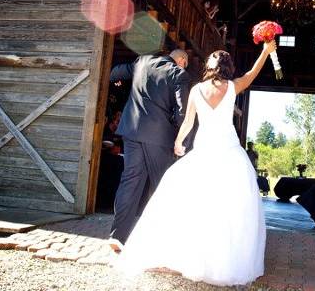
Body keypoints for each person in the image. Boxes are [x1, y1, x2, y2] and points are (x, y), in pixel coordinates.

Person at [115, 41, 277, 287]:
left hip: (203, 150)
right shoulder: (233, 88)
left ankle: (185, 251)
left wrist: (178, 143)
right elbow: (252, 74)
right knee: (230, 205)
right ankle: (223, 259)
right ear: (228, 67)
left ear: (209, 67)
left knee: (193, 200)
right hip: (230, 152)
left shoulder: (197, 90)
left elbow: (187, 122)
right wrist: (265, 52)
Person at [108, 49, 190, 248]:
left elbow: (115, 73)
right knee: (163, 186)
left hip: (131, 131)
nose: (184, 67)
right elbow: (182, 112)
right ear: (181, 60)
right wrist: (182, 139)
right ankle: (162, 241)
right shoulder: (179, 73)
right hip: (160, 138)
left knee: (130, 182)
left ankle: (117, 236)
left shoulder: (142, 61)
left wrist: (118, 83)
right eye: (185, 64)